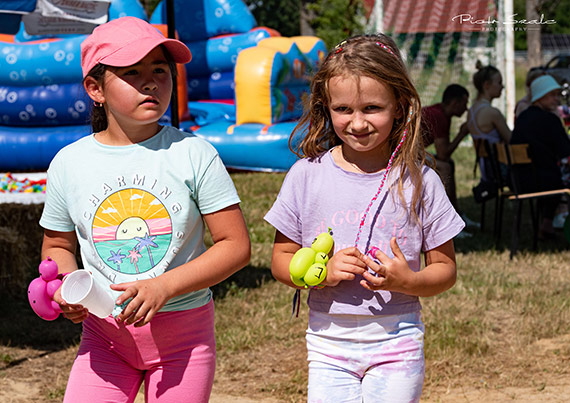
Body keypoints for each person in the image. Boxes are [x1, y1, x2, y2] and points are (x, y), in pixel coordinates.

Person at [39, 17, 251, 403]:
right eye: (132, 73)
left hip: (183, 343)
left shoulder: (194, 154)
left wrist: (164, 287)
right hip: (104, 340)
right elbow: (56, 247)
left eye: (159, 70)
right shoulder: (68, 164)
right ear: (95, 88)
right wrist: (69, 290)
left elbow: (235, 245)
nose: (151, 81)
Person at [264, 34, 464, 402]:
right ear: (326, 107)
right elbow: (280, 262)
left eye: (372, 108)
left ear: (400, 106)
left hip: (397, 341)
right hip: (327, 344)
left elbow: (445, 271)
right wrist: (318, 275)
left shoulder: (421, 182)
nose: (357, 123)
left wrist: (409, 280)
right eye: (343, 110)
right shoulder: (306, 176)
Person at [511, 74, 570, 239]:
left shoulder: (523, 118)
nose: (556, 99)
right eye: (552, 95)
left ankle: (547, 224)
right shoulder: (550, 120)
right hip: (542, 181)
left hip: (519, 180)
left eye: (557, 95)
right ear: (540, 96)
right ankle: (548, 223)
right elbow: (565, 151)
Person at [421, 84, 477, 228]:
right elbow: (443, 154)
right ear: (454, 103)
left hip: (416, 153)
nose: (466, 108)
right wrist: (462, 134)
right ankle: (447, 223)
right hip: (403, 154)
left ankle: (456, 213)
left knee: (449, 164)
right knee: (444, 167)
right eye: (464, 104)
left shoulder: (442, 113)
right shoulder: (439, 116)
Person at [466, 63, 512, 182]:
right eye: (499, 82)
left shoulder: (471, 111)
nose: (502, 87)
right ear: (487, 85)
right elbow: (511, 139)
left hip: (486, 169)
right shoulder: (492, 113)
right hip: (498, 170)